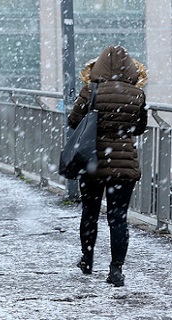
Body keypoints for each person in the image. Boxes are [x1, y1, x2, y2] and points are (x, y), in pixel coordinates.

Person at [68, 45, 148, 287]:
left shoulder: (90, 90)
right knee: (118, 218)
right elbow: (140, 127)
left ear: (99, 65)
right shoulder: (137, 94)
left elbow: (73, 121)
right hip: (123, 165)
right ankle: (116, 270)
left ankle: (87, 259)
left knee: (90, 213)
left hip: (92, 161)